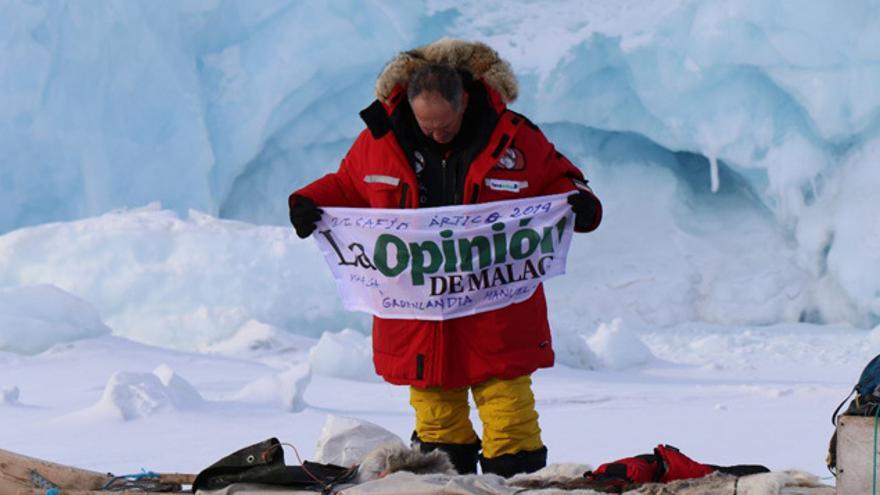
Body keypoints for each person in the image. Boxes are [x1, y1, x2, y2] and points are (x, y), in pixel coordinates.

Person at [289, 39, 602, 477]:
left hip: (496, 311)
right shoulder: (380, 141)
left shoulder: (515, 137)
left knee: (510, 419)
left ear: (464, 104)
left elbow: (562, 181)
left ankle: (516, 486)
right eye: (426, 125)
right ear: (411, 108)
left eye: (445, 126)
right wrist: (306, 203)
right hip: (420, 318)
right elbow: (346, 186)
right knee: (436, 421)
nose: (436, 134)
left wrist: (582, 205)